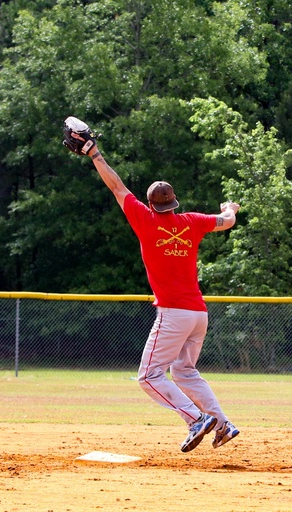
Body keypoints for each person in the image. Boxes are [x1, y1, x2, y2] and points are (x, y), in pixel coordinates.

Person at [80, 129, 241, 452]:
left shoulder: (144, 219)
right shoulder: (193, 221)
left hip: (174, 313)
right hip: (198, 313)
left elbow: (116, 185)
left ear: (151, 204)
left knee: (149, 376)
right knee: (184, 371)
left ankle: (196, 419)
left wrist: (94, 154)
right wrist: (231, 208)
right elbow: (226, 221)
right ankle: (222, 424)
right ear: (174, 202)